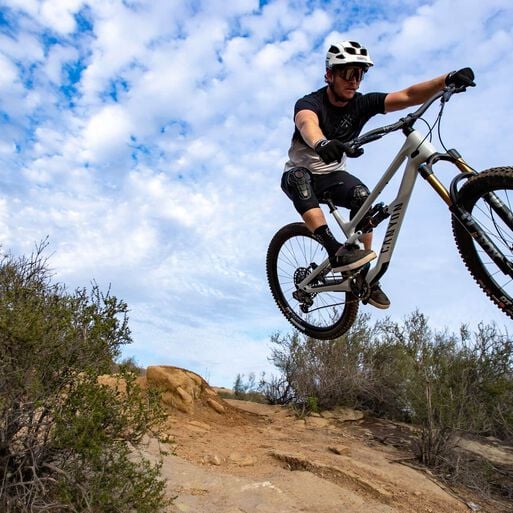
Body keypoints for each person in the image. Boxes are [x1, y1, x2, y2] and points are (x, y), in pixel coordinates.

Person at [281, 40, 474, 309]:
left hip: (332, 175)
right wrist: (321, 143)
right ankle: (334, 250)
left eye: (360, 74)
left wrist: (447, 79)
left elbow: (407, 95)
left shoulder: (363, 103)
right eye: (348, 73)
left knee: (364, 198)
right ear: (329, 75)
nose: (354, 81)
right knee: (298, 179)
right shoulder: (311, 102)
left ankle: (366, 276)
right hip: (303, 173)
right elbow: (306, 122)